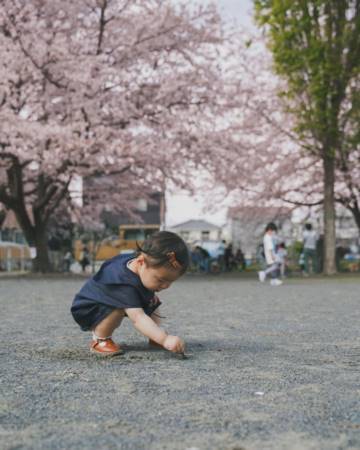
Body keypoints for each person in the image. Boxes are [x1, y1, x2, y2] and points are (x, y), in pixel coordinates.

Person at [71, 231, 189, 356]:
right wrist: (165, 340)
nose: (165, 286)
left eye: (170, 281)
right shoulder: (122, 282)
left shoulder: (142, 264)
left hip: (116, 295)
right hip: (90, 307)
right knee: (117, 307)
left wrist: (159, 336)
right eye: (160, 280)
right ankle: (101, 339)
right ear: (141, 262)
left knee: (152, 301)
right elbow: (138, 318)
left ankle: (156, 335)